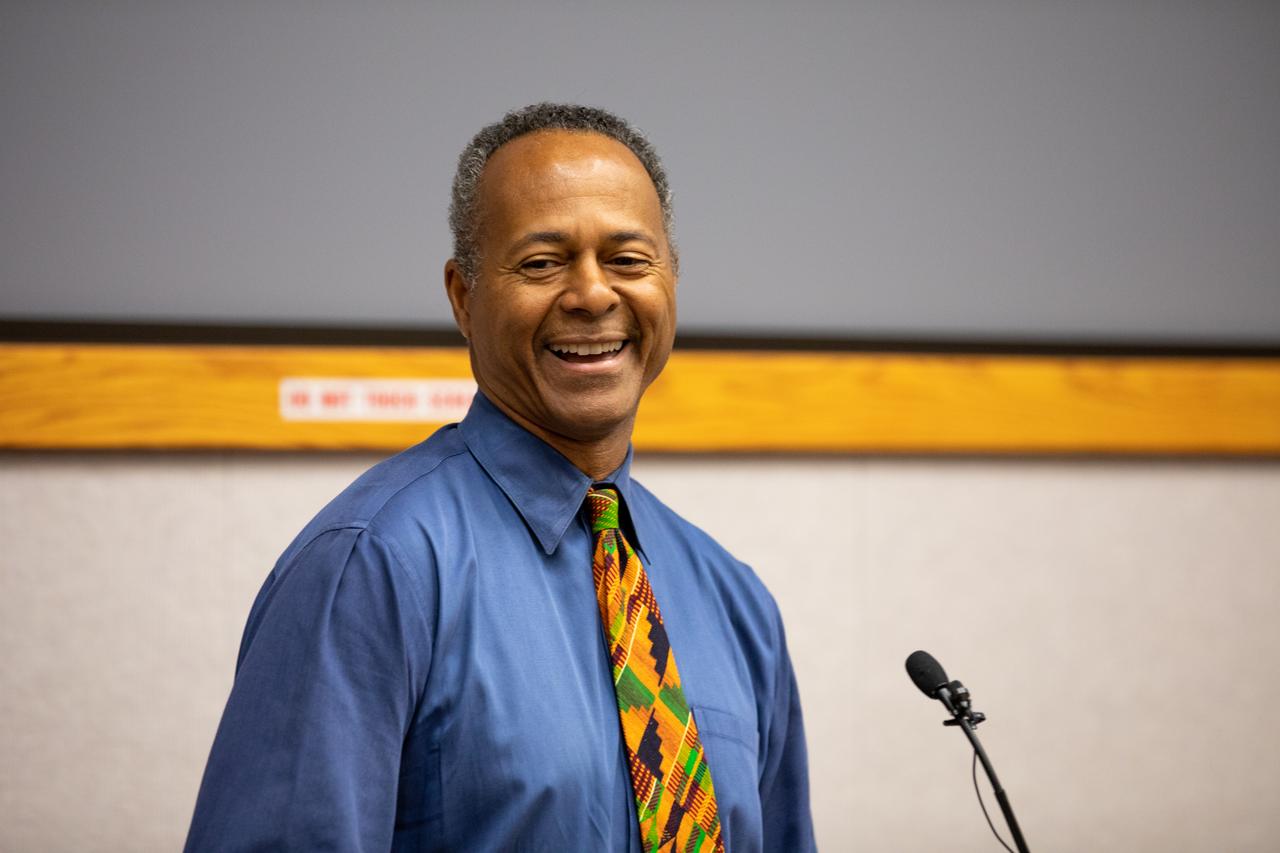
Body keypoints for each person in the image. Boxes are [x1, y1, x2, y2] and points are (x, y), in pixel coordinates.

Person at [185, 103, 815, 852]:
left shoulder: (736, 602)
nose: (591, 294)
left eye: (628, 260)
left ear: (671, 281)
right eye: (543, 262)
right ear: (462, 297)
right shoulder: (373, 567)